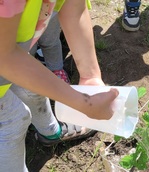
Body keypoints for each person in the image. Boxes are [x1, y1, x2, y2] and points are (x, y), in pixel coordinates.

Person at [0, 0, 119, 171]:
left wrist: (90, 76)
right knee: (13, 122)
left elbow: (73, 7)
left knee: (32, 89)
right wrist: (81, 102)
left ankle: (50, 132)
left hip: (10, 53)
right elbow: (5, 56)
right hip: (5, 56)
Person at [30, 13, 70, 83]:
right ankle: (29, 70)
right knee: (27, 48)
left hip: (48, 8)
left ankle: (56, 71)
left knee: (50, 41)